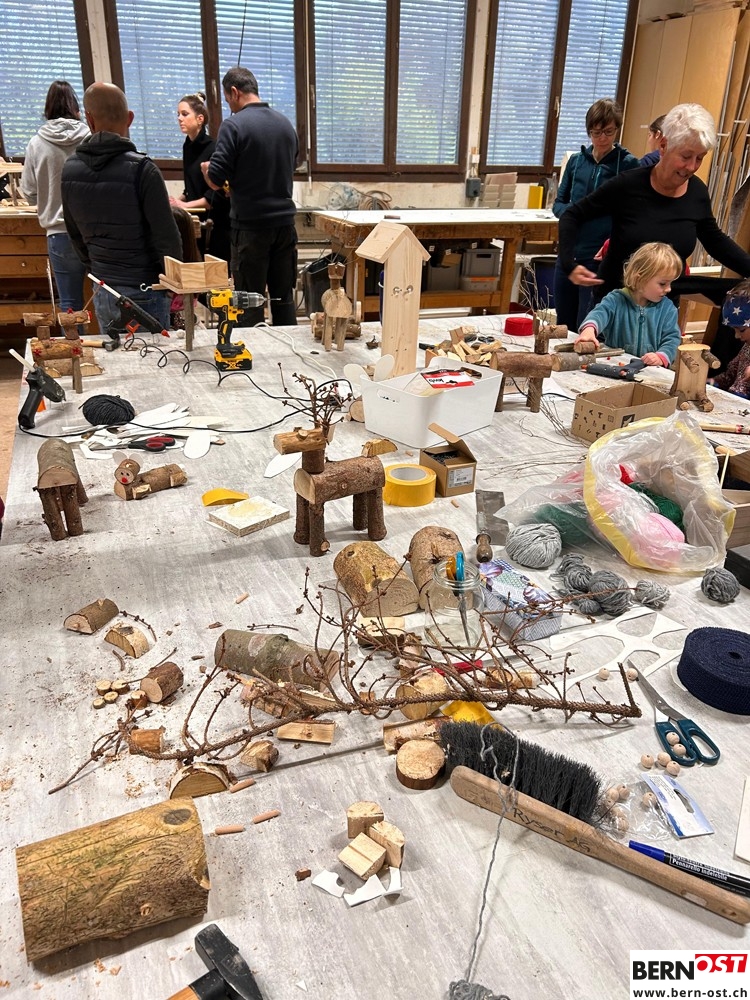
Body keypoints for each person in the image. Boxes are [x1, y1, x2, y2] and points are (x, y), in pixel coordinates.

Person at [557, 103, 750, 307]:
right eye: (686, 157)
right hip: (614, 306)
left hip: (662, 310)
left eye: (699, 158)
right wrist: (570, 264)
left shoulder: (697, 192)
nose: (692, 167)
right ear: (664, 145)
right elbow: (573, 215)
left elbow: (715, 241)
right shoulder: (627, 185)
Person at [61, 82, 181, 336]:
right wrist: (173, 285)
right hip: (145, 289)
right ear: (130, 118)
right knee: (155, 358)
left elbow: (75, 236)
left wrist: (97, 270)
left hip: (104, 288)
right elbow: (167, 238)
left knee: (116, 357)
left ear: (89, 119)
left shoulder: (70, 170)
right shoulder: (143, 170)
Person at [202, 66, 299, 327]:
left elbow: (216, 180)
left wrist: (206, 170)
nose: (229, 107)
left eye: (227, 100)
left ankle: (254, 352)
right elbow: (289, 166)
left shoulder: (233, 126)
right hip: (284, 227)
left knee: (248, 304)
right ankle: (289, 351)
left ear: (234, 92)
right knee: (283, 300)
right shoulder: (285, 124)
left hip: (250, 229)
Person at [552, 99, 639, 329]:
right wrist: (574, 214)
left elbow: (633, 212)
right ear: (588, 131)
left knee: (587, 324)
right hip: (569, 254)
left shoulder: (628, 164)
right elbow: (558, 204)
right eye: (596, 132)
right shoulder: (576, 162)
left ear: (617, 129)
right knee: (563, 324)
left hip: (598, 257)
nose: (602, 138)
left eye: (608, 132)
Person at [20, 81, 90, 314]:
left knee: (70, 306)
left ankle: (73, 340)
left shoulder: (36, 143)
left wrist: (47, 201)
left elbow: (29, 190)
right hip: (93, 231)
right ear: (75, 106)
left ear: (48, 108)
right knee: (105, 300)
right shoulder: (90, 138)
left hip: (58, 233)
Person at [575, 242, 683, 367]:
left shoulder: (668, 308)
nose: (669, 289)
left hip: (650, 369)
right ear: (639, 279)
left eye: (670, 283)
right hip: (616, 366)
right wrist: (589, 330)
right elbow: (599, 314)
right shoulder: (615, 300)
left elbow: (672, 338)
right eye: (663, 284)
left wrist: (661, 356)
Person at [170, 92, 231, 263]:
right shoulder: (187, 146)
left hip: (217, 224)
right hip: (196, 221)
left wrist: (184, 205)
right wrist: (176, 201)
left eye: (184, 114)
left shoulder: (214, 148)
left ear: (200, 119)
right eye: (178, 114)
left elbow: (216, 195)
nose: (179, 119)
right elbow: (191, 186)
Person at [712, 279, 750, 397]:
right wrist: (714, 382)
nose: (736, 336)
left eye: (741, 330)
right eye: (734, 330)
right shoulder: (747, 348)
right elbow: (730, 375)